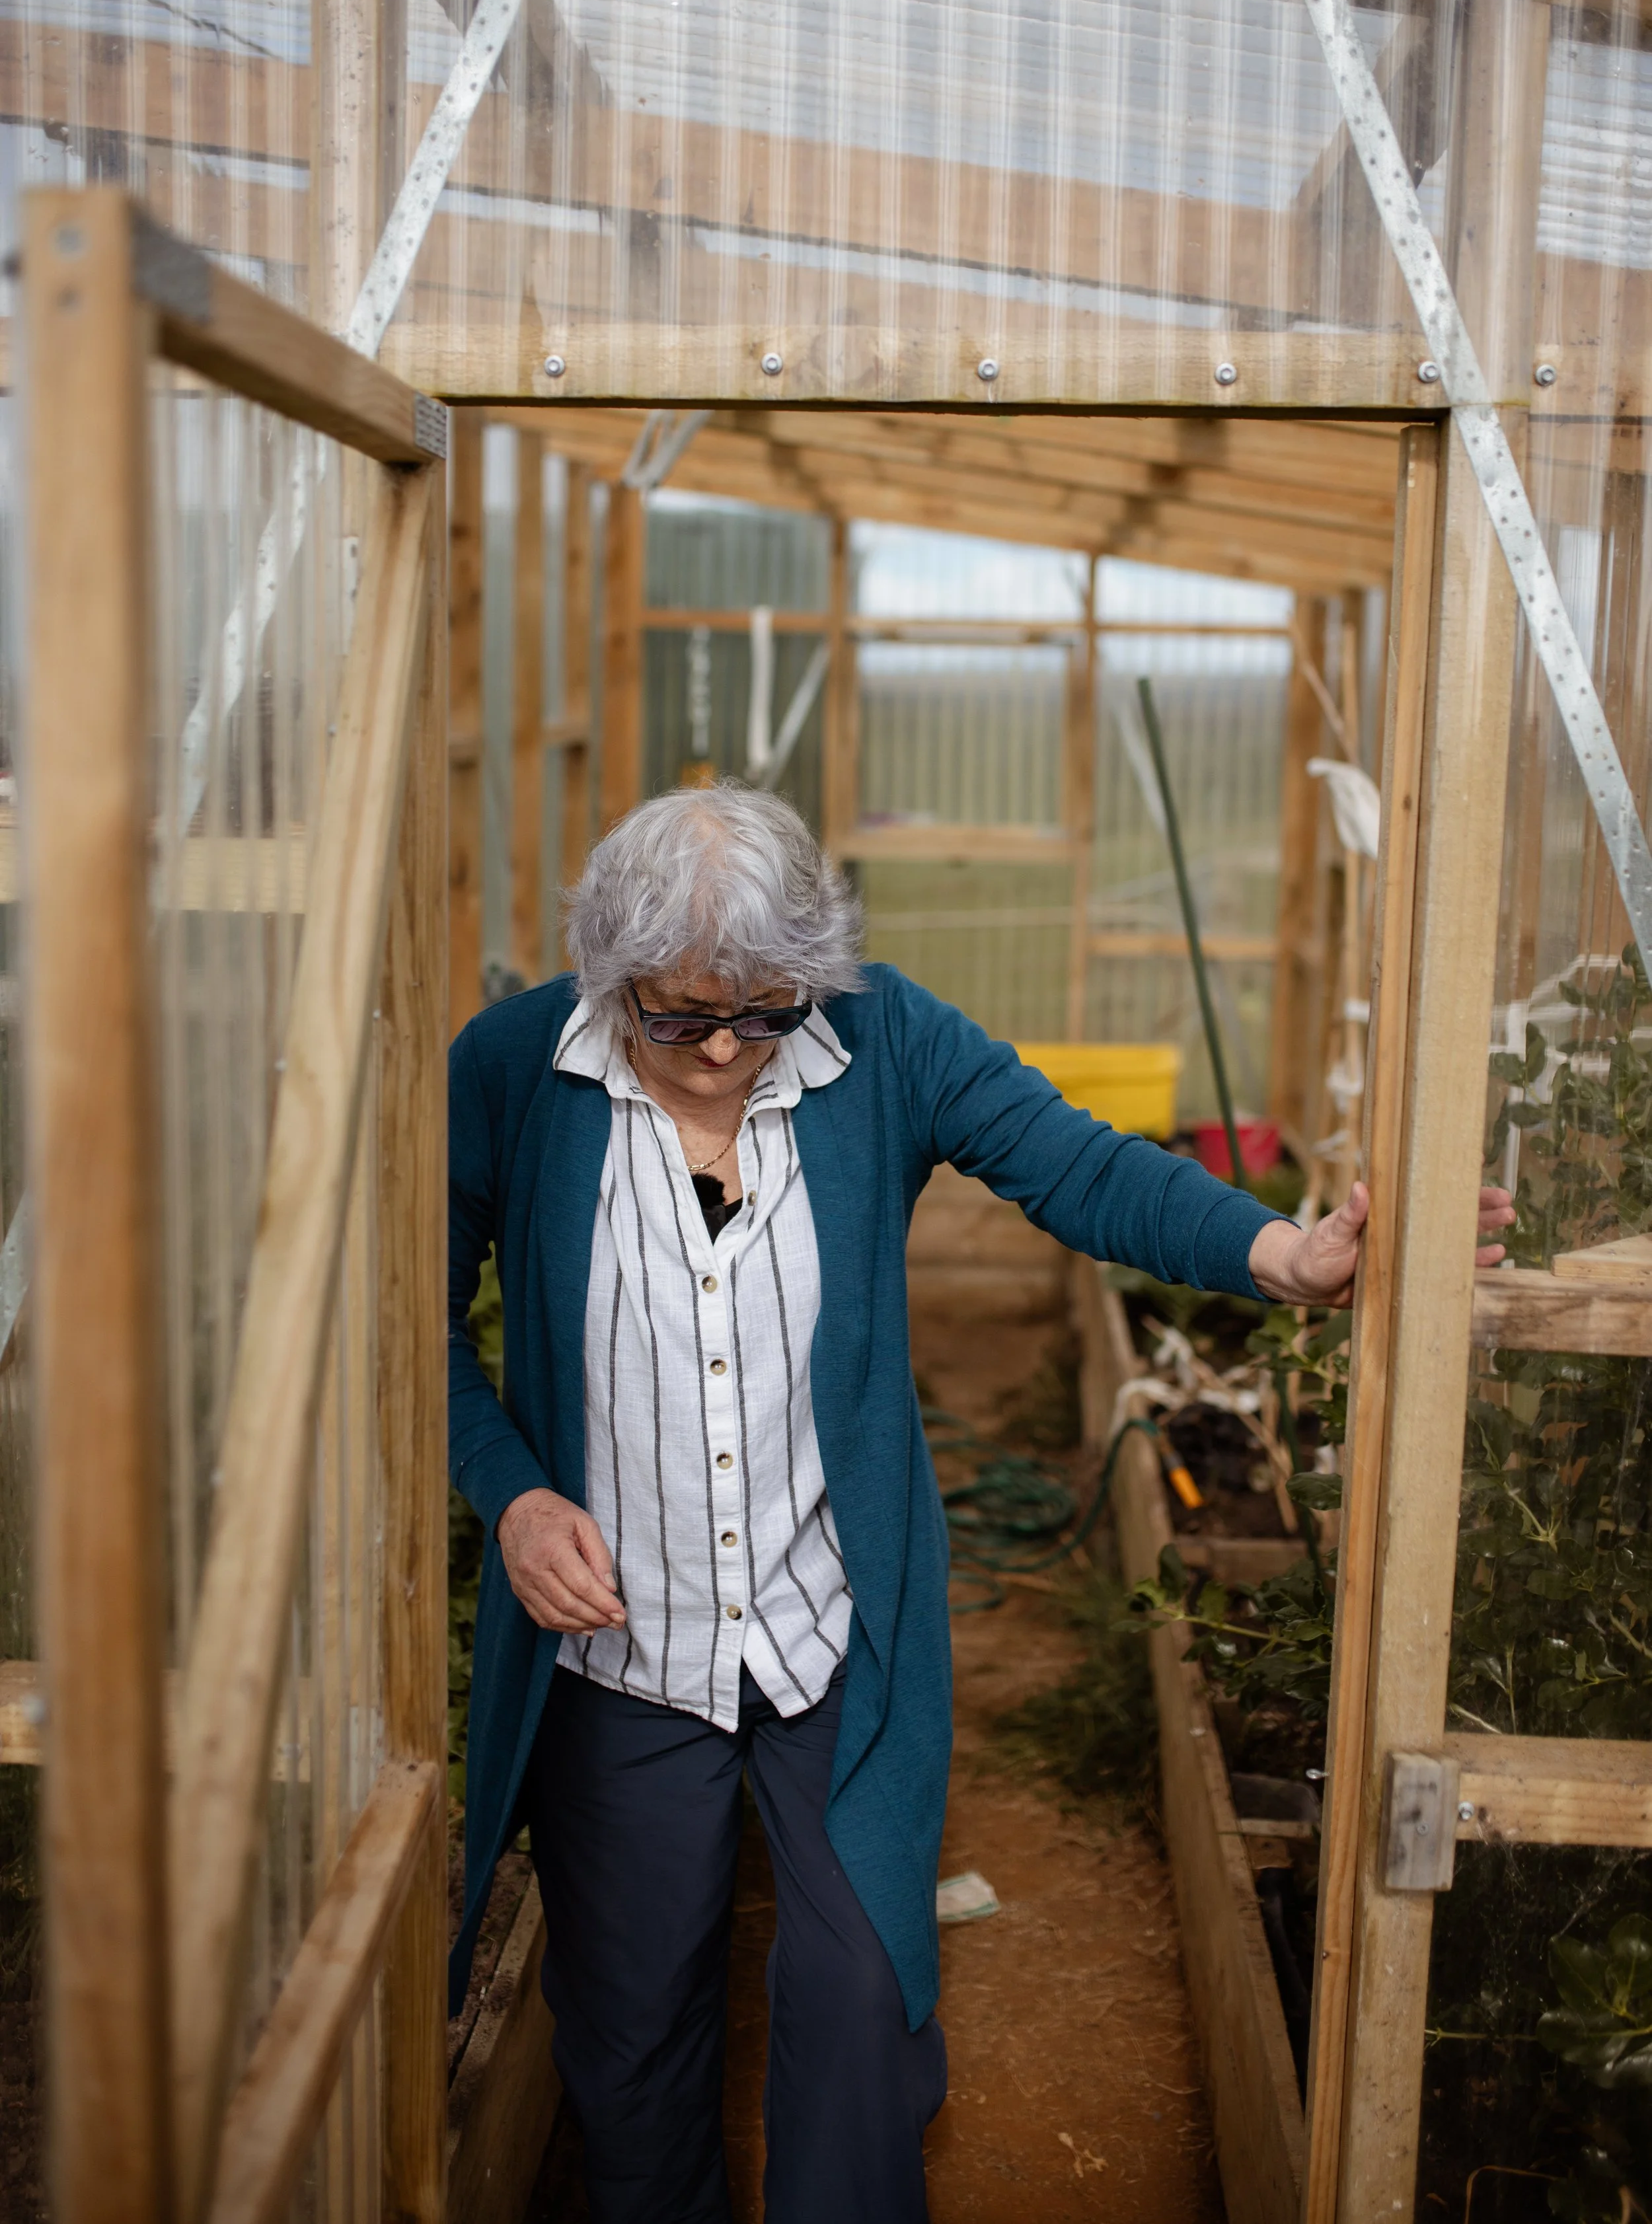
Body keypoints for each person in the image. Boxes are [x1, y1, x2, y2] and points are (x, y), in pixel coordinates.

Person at [447, 784, 1514, 2224]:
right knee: (631, 2040)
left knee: (861, 1998)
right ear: (603, 971)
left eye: (760, 1015)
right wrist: (511, 1495)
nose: (716, 1049)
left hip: (832, 1631)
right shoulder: (513, 1070)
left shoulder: (883, 1039)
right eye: (674, 1012)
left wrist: (1281, 1253)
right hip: (620, 1651)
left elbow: (1074, 1164)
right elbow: (413, 1325)